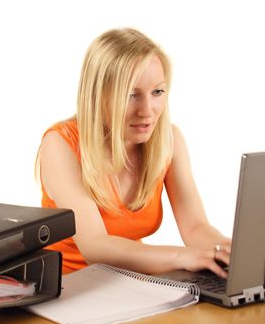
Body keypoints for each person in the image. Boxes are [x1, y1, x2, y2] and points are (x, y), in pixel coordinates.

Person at [37, 28, 231, 277]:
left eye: (157, 92)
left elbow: (195, 227)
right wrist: (181, 256)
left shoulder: (169, 140)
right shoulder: (60, 144)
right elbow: (95, 247)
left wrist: (228, 250)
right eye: (131, 95)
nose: (147, 110)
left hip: (130, 283)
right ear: (98, 95)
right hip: (68, 288)